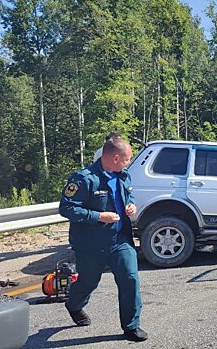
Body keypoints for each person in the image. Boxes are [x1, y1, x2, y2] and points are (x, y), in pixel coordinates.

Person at [59, 133, 148, 342]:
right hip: (91, 244)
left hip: (120, 240)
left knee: (130, 279)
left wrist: (131, 205)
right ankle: (74, 305)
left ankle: (131, 326)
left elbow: (129, 195)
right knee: (88, 282)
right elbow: (66, 208)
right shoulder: (84, 179)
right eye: (126, 159)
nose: (128, 163)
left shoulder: (123, 175)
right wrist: (98, 216)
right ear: (115, 158)